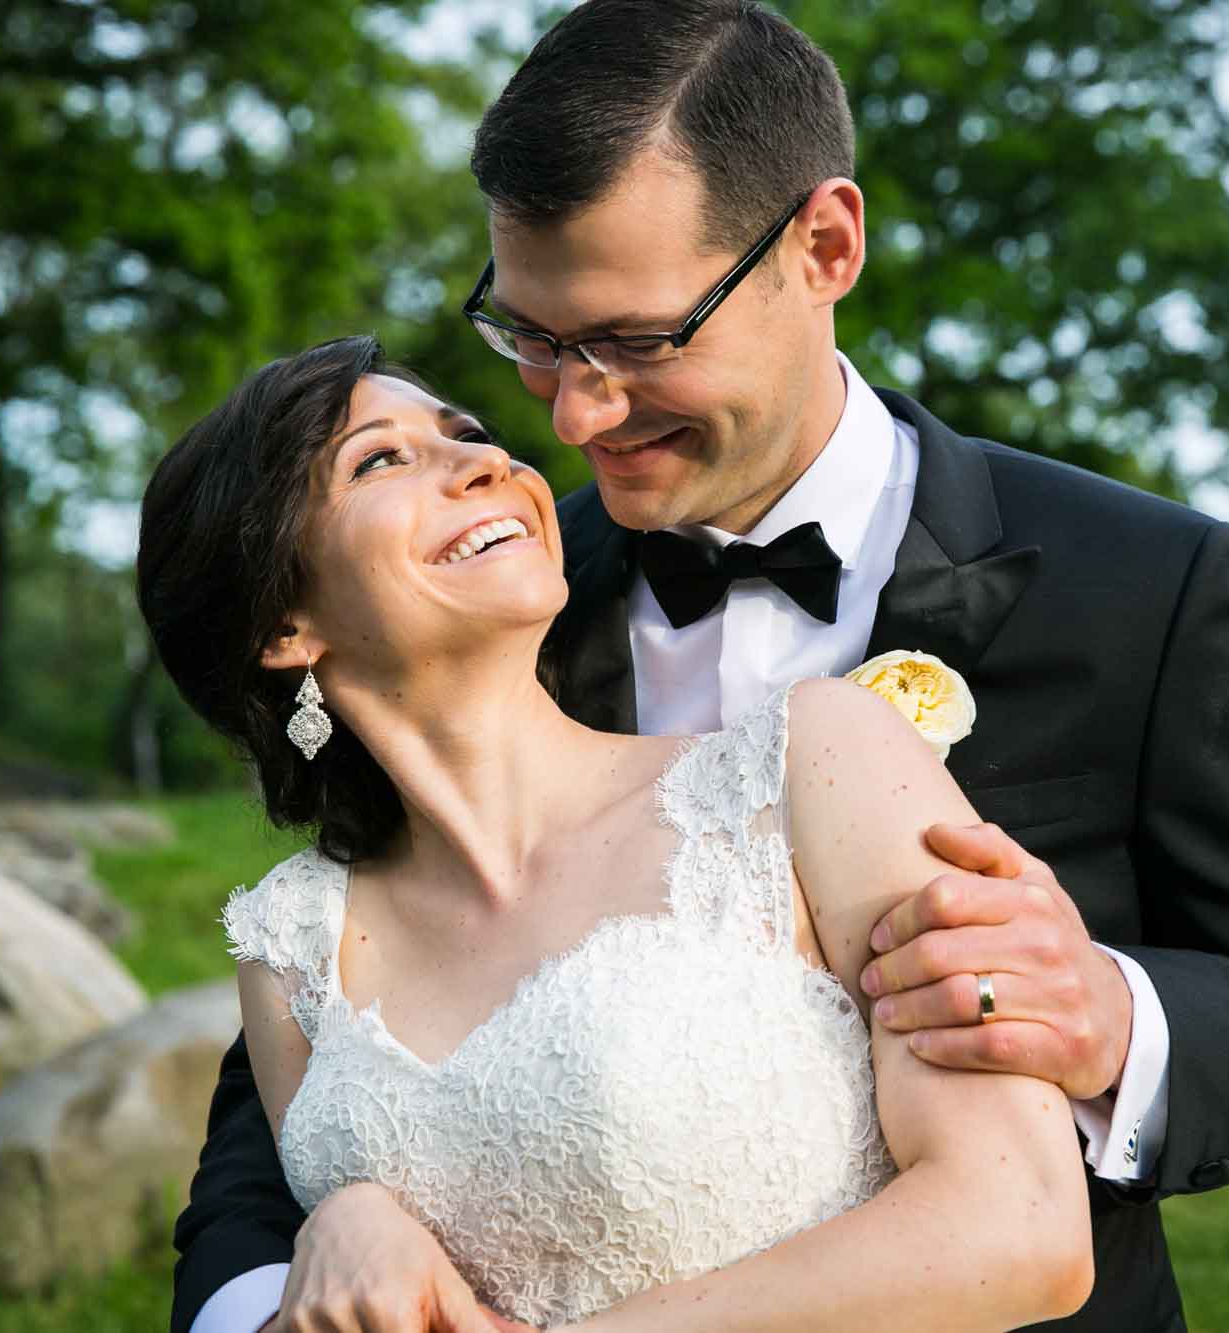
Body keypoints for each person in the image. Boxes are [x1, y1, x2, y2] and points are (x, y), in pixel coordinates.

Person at [169, 3, 1229, 1331]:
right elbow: (308, 1114)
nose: (573, 413)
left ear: (824, 246)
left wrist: (1109, 1015)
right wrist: (322, 1243)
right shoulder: (497, 603)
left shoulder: (1139, 587)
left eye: (638, 342)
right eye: (530, 335)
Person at [140, 333, 1098, 1333]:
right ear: (282, 625)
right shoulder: (292, 946)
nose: (488, 462)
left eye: (465, 434)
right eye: (380, 458)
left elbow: (1019, 1226)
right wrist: (348, 1215)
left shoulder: (811, 765)